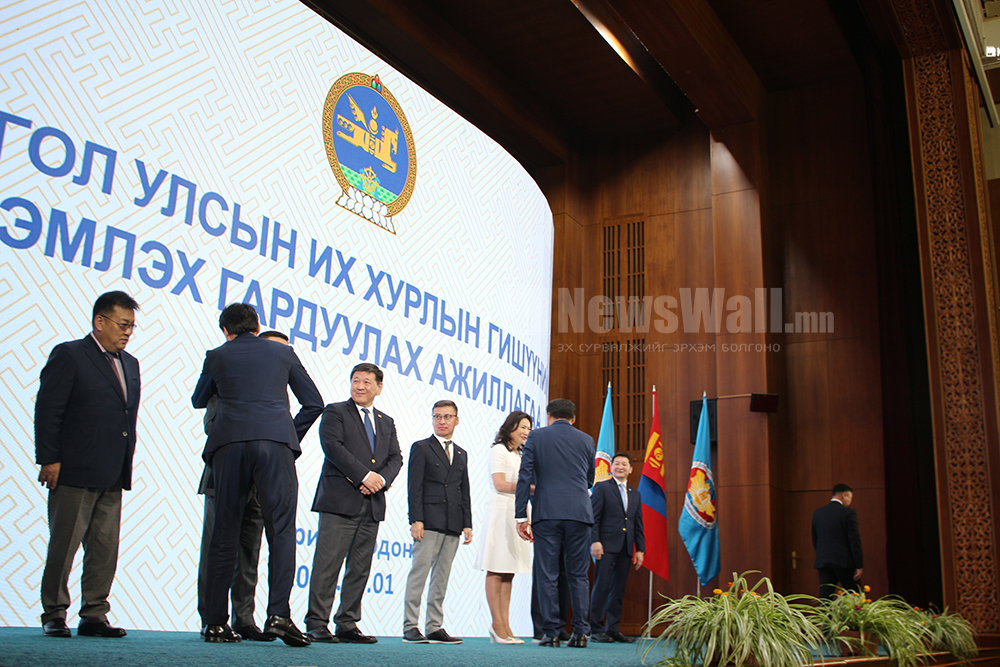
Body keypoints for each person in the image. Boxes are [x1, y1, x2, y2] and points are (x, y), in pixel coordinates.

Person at [192, 304, 323, 646]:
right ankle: (278, 615)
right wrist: (288, 435)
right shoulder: (283, 353)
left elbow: (198, 399)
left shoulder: (216, 355)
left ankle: (215, 623)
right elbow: (314, 402)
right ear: (257, 325)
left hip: (229, 446)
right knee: (281, 531)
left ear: (226, 330)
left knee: (224, 533)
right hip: (274, 446)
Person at [35, 291, 141, 639]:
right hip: (74, 470)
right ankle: (54, 613)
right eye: (123, 324)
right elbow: (49, 409)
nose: (127, 332)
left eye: (131, 326)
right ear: (100, 321)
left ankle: (94, 614)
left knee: (104, 549)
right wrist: (49, 458)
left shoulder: (130, 363)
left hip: (112, 471)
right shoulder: (69, 354)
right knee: (63, 546)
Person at [195, 330, 293, 641]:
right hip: (225, 475)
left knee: (250, 552)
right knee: (219, 546)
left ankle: (244, 619)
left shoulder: (276, 399)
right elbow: (212, 424)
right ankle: (212, 617)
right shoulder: (226, 384)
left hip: (264, 480)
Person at [305, 363, 403, 644]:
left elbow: (396, 458)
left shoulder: (386, 421)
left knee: (360, 567)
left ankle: (347, 623)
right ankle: (316, 623)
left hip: (372, 503)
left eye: (367, 381)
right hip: (339, 501)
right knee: (327, 564)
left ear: (379, 388)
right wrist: (364, 476)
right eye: (356, 380)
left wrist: (379, 480)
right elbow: (333, 447)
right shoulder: (335, 412)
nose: (360, 386)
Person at [515, 398, 595, 648]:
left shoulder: (536, 437)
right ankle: (580, 633)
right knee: (578, 574)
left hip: (547, 512)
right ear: (573, 418)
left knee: (547, 574)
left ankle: (551, 634)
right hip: (580, 513)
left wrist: (521, 515)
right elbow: (590, 480)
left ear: (548, 415)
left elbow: (524, 476)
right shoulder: (587, 440)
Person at [402, 400, 472, 645]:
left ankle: (434, 626)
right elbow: (414, 487)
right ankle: (410, 626)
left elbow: (464, 490)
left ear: (456, 420)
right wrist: (416, 519)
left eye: (447, 416)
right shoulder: (421, 447)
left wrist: (467, 524)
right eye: (437, 416)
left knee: (441, 578)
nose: (442, 421)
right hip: (428, 521)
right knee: (419, 574)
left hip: (453, 522)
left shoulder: (461, 453)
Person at [474, 410, 533, 644]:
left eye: (529, 428)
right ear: (511, 427)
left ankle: (506, 625)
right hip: (501, 512)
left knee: (509, 571)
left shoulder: (521, 454)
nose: (526, 432)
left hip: (517, 513)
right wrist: (529, 488)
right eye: (522, 427)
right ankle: (496, 624)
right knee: (496, 568)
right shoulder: (499, 450)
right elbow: (499, 483)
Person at [589, 452, 644, 643]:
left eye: (624, 464)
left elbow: (637, 524)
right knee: (602, 587)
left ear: (631, 469)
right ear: (611, 467)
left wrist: (640, 549)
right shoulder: (602, 487)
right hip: (605, 546)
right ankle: (596, 629)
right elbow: (593, 517)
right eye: (617, 464)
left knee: (618, 590)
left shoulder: (635, 493)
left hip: (626, 547)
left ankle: (612, 628)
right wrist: (595, 541)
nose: (620, 467)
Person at [812, 483, 864, 600]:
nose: (850, 501)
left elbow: (815, 539)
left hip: (824, 562)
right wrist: (859, 565)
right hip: (844, 562)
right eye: (850, 498)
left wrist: (822, 555)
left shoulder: (818, 513)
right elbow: (854, 540)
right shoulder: (848, 513)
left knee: (825, 598)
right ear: (844, 495)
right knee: (855, 596)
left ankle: (824, 613)